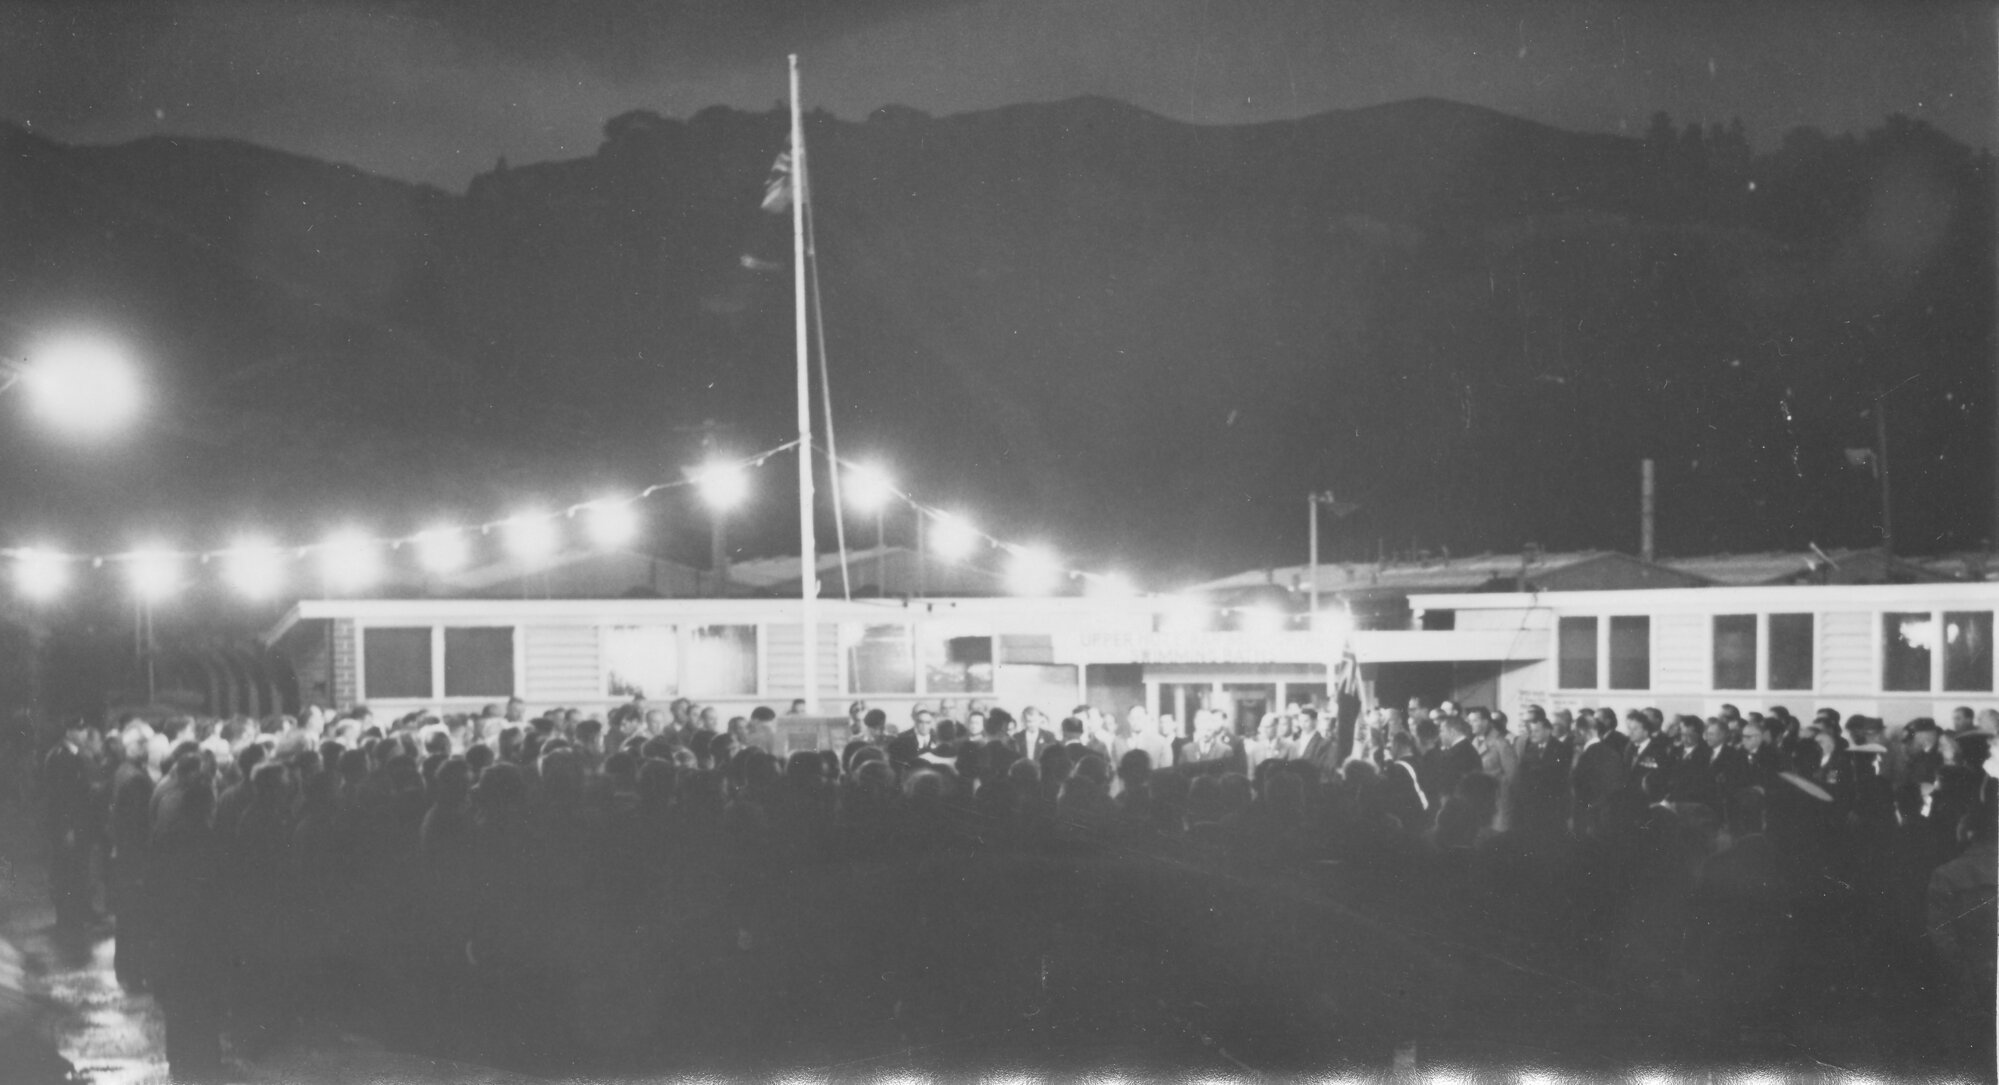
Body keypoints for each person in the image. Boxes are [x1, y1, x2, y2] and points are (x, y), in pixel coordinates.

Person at [43, 718, 100, 931]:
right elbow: (61, 797)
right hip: (68, 824)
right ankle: (67, 917)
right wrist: (66, 828)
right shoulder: (62, 756)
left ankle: (76, 912)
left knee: (77, 868)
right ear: (68, 732)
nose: (84, 733)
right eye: (79, 729)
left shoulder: (71, 754)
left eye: (85, 729)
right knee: (67, 869)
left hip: (78, 822)